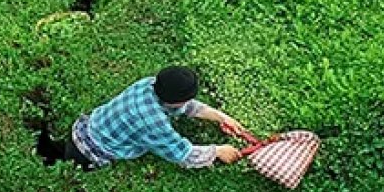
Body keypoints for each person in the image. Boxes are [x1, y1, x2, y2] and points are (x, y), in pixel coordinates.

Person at [37, 66, 243, 170]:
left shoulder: (148, 84)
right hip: (91, 152)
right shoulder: (152, 123)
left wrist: (220, 117)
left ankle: (45, 150)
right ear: (176, 101)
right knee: (70, 169)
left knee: (59, 150)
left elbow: (187, 107)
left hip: (85, 129)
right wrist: (218, 151)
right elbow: (183, 154)